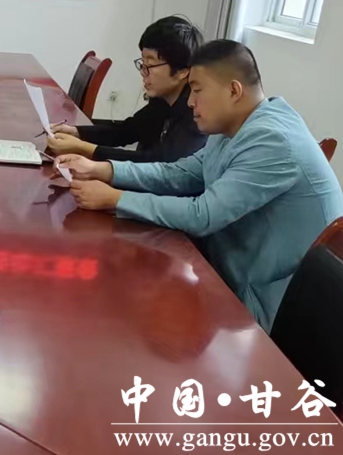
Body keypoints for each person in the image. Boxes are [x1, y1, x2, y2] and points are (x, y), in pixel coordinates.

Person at [57, 40, 343, 331]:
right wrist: (104, 170)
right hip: (221, 269)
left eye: (197, 89)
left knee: (125, 297)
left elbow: (203, 215)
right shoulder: (236, 125)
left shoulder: (272, 140)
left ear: (234, 91)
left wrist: (115, 198)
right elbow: (181, 173)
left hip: (263, 308)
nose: (190, 101)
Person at [48, 16, 206, 163]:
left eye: (150, 65)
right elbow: (126, 131)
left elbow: (156, 164)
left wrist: (83, 148)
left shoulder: (196, 113)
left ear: (182, 71)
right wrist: (76, 132)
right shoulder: (163, 100)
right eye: (142, 63)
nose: (143, 72)